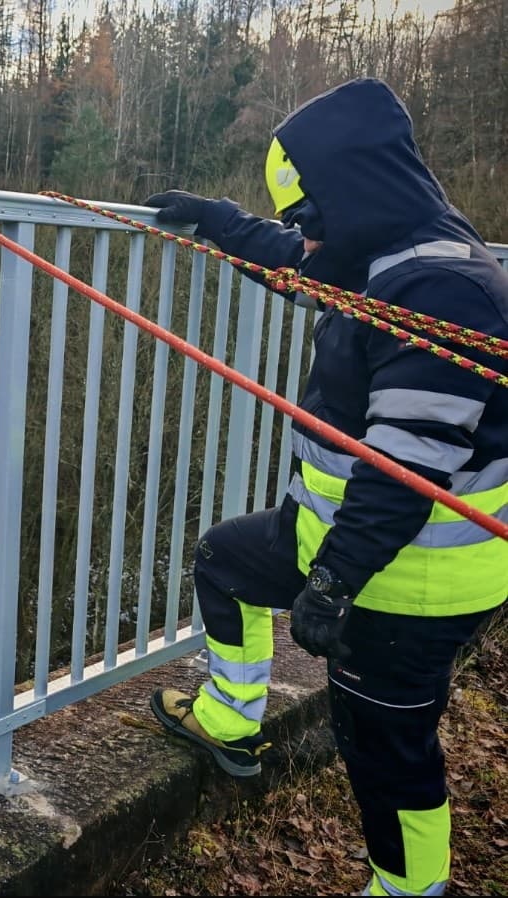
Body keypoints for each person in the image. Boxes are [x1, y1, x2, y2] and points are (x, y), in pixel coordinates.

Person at [142, 78, 508, 896]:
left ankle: (411, 889)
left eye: (309, 219)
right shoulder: (386, 254)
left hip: (410, 582)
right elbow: (304, 266)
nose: (304, 241)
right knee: (223, 562)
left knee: (387, 756)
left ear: (353, 195)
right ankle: (230, 720)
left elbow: (405, 468)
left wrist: (334, 586)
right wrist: (224, 224)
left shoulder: (442, 289)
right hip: (337, 541)